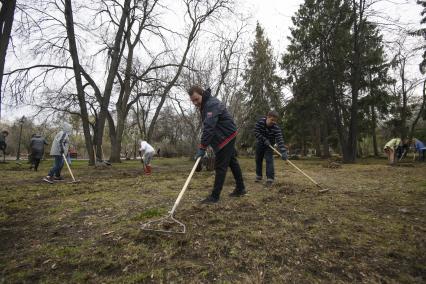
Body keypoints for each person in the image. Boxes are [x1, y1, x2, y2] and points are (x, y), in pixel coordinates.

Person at [189, 86, 246, 203]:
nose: (195, 103)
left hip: (225, 136)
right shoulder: (205, 104)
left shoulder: (210, 104)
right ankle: (241, 188)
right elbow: (209, 127)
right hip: (225, 134)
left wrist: (202, 146)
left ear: (202, 94)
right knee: (232, 161)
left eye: (196, 99)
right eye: (193, 101)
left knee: (220, 166)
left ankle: (214, 197)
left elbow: (209, 127)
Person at [254, 110, 288, 186]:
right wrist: (264, 139)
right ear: (267, 117)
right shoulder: (260, 122)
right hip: (260, 142)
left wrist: (283, 151)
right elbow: (256, 132)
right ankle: (259, 175)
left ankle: (270, 178)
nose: (273, 122)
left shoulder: (276, 128)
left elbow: (280, 140)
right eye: (272, 120)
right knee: (258, 159)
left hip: (270, 145)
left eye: (275, 121)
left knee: (269, 160)